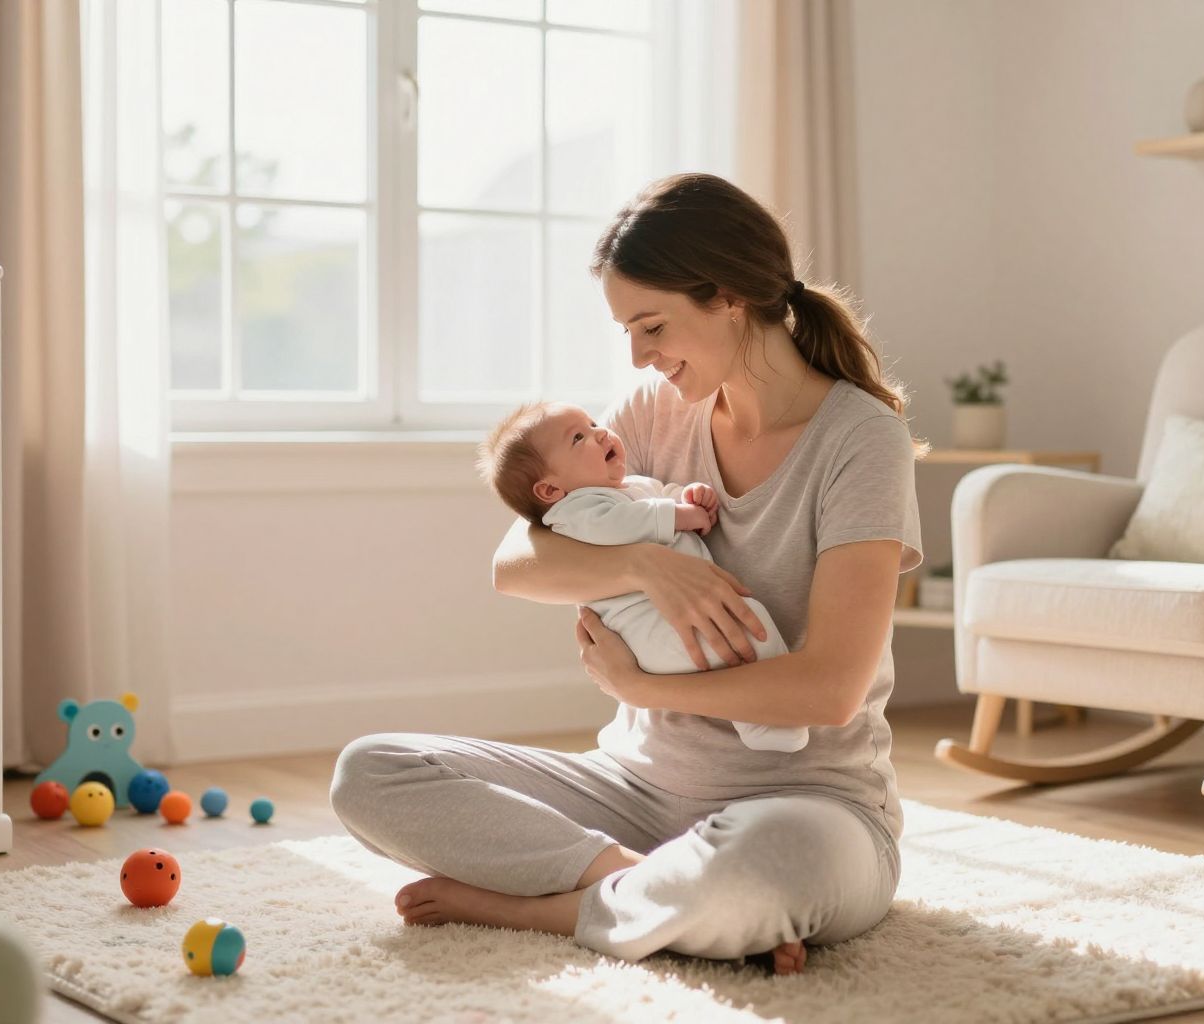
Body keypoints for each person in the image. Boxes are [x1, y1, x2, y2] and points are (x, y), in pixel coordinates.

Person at [330, 172, 925, 976]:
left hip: (810, 806)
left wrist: (649, 689)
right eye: (629, 332)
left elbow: (828, 690)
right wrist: (648, 565)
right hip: (634, 792)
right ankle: (645, 891)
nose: (640, 355)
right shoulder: (654, 407)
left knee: (765, 866)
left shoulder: (861, 439)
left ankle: (542, 907)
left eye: (652, 326)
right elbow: (517, 564)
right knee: (371, 771)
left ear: (729, 297)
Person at [475, 399, 804, 752]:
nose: (600, 433)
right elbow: (615, 527)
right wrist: (676, 516)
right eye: (578, 438)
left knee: (750, 632)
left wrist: (688, 497)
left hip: (673, 618)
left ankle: (764, 717)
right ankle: (763, 723)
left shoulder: (632, 487)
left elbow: (662, 495)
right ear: (551, 490)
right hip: (647, 630)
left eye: (592, 423)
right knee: (746, 634)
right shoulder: (573, 512)